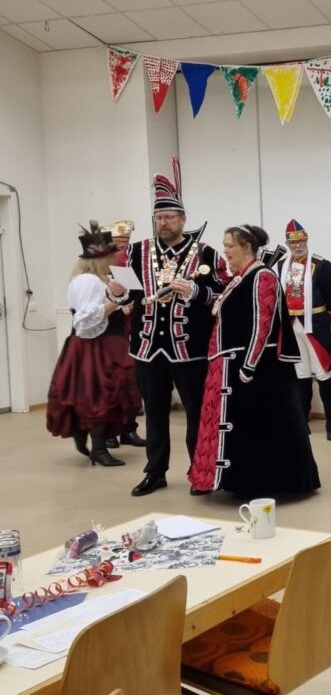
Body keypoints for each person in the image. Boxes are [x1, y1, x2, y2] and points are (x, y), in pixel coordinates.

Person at [106, 163, 227, 496]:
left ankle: (198, 471)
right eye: (159, 217)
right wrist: (115, 293)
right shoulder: (135, 252)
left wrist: (195, 292)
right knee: (155, 414)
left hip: (189, 349)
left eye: (170, 217)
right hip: (146, 347)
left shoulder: (206, 253)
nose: (164, 222)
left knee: (194, 413)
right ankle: (155, 471)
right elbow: (123, 291)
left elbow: (221, 294)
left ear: (183, 219)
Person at [188, 225, 321, 497]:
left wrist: (249, 365)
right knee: (245, 429)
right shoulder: (240, 277)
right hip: (233, 362)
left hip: (259, 369)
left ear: (247, 247)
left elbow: (263, 324)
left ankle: (266, 483)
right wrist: (192, 293)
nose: (225, 251)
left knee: (263, 427)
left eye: (229, 246)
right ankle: (239, 481)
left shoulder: (263, 276)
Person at [46, 222, 142, 467]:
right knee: (98, 394)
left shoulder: (99, 279)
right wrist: (114, 299)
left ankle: (95, 440)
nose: (116, 258)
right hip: (94, 346)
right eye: (112, 255)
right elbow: (85, 321)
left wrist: (119, 300)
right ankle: (98, 448)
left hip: (107, 343)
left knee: (109, 393)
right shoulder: (87, 281)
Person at [275, 219, 331, 441]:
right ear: (287, 243)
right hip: (292, 326)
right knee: (301, 375)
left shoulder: (321, 265)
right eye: (292, 242)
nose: (297, 246)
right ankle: (302, 421)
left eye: (301, 241)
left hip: (315, 324)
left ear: (307, 240)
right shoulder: (281, 265)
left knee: (323, 374)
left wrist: (326, 321)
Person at [99, 218, 145, 450]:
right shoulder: (96, 272)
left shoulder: (130, 269)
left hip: (130, 331)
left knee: (131, 384)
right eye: (118, 247)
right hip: (106, 334)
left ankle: (128, 428)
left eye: (126, 246)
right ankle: (108, 432)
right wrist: (119, 304)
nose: (123, 252)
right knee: (109, 385)